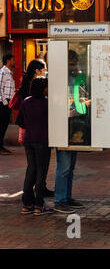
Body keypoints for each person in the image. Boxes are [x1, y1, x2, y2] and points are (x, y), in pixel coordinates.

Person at [53, 50, 87, 214]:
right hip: (62, 126)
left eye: (74, 64)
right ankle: (60, 200)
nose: (73, 67)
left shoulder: (75, 80)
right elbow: (60, 107)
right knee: (64, 166)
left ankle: (67, 196)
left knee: (71, 166)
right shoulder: (58, 80)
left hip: (75, 126)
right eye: (71, 64)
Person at [16, 77, 54, 215]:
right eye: (46, 87)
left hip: (29, 140)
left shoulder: (26, 102)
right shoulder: (47, 103)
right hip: (42, 141)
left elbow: (19, 121)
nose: (48, 89)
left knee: (31, 170)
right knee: (41, 173)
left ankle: (27, 204)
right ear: (43, 89)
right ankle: (39, 205)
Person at [0, 54, 16, 155]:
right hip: (3, 103)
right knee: (1, 125)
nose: (14, 62)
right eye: (13, 60)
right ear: (8, 61)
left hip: (8, 103)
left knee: (4, 125)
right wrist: (5, 102)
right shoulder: (2, 72)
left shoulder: (9, 73)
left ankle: (1, 145)